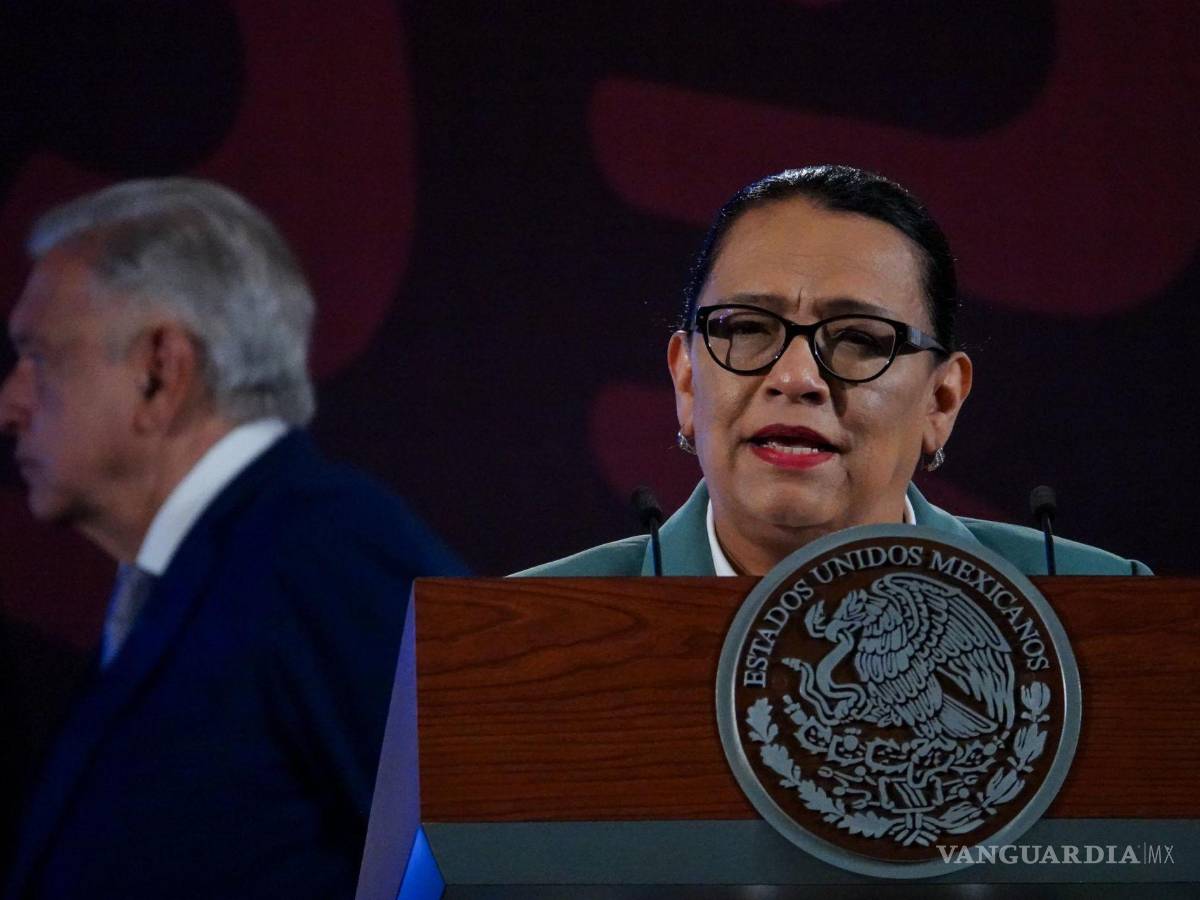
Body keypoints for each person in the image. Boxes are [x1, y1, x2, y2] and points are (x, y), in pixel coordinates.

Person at [0, 178, 465, 899]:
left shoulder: (322, 553)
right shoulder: (186, 578)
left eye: (42, 358)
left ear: (162, 371)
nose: (12, 404)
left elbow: (503, 864)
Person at [518, 165, 1149, 577]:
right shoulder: (530, 630)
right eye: (747, 328)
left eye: (856, 339)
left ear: (941, 401)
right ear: (686, 380)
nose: (796, 378)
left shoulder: (1101, 607)